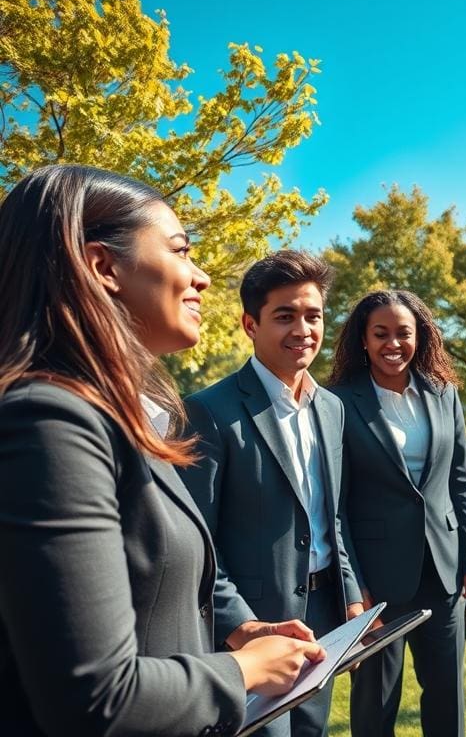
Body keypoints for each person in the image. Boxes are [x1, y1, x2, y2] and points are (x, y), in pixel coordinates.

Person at [0, 165, 324, 737]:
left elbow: (154, 567)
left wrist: (239, 629)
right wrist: (242, 670)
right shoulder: (47, 421)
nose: (200, 277)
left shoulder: (131, 416)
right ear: (104, 267)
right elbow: (95, 697)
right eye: (179, 250)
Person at [178, 250, 363, 737]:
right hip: (253, 627)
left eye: (313, 316)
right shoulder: (208, 412)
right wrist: (243, 627)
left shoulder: (332, 409)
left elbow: (331, 518)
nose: (303, 329)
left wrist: (353, 600)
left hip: (325, 615)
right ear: (249, 324)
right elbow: (196, 542)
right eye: (285, 316)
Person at [327, 289, 466, 737]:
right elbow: (335, 506)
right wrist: (353, 590)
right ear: (363, 338)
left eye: (404, 333)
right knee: (375, 705)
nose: (392, 344)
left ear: (421, 337)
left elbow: (461, 481)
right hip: (378, 581)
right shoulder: (336, 402)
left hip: (444, 571)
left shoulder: (444, 394)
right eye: (381, 333)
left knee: (447, 696)